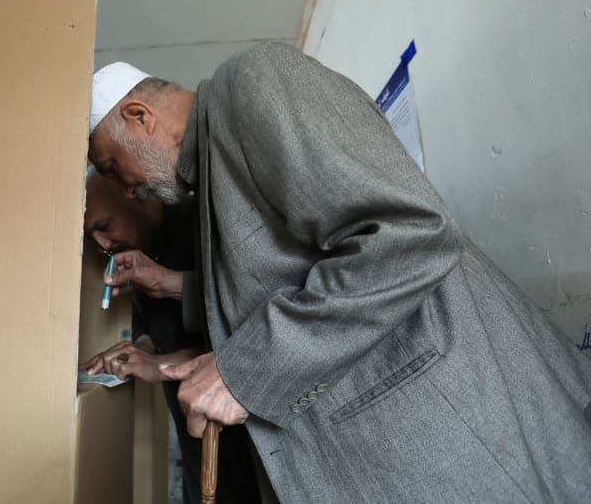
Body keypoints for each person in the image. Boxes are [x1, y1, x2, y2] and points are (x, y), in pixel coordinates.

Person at [86, 44, 591, 503]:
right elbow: (284, 282)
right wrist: (182, 351)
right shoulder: (211, 179)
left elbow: (406, 232)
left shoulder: (253, 81)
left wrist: (241, 373)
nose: (126, 190)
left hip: (462, 437)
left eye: (111, 166)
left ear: (139, 116)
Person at [79, 169, 260, 504]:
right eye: (92, 237)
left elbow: (251, 336)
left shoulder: (204, 222)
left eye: (103, 227)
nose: (102, 244)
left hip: (245, 445)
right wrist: (141, 349)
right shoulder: (138, 247)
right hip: (197, 451)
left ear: (131, 193)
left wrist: (161, 363)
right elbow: (145, 316)